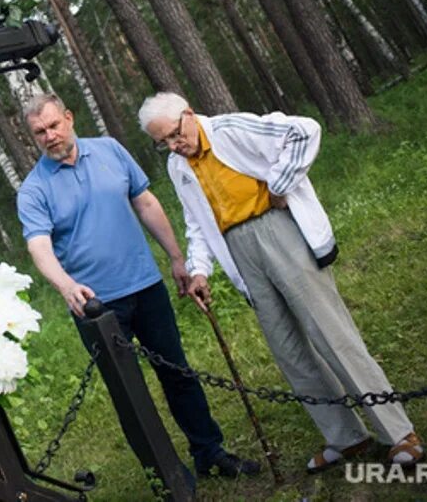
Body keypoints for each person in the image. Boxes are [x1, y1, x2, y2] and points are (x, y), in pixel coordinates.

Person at [137, 92, 424, 472]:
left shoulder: (229, 127)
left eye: (175, 135)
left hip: (277, 232)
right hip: (240, 251)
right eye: (164, 143)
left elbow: (305, 131)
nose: (174, 146)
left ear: (188, 114)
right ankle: (345, 437)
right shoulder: (179, 166)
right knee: (288, 349)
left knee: (331, 334)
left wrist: (278, 184)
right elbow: (197, 224)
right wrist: (199, 270)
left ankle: (399, 434)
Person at [16, 93, 260, 478]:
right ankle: (166, 476)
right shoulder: (33, 190)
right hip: (95, 307)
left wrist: (177, 258)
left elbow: (145, 202)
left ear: (68, 117)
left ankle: (209, 452)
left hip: (146, 286)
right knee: (131, 397)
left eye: (53, 125)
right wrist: (65, 286)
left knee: (178, 372)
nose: (49, 135)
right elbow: (39, 245)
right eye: (39, 132)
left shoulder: (110, 150)